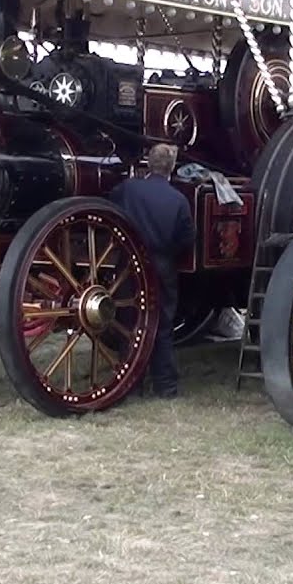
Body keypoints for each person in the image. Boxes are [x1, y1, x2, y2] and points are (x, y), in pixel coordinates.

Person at [108, 143, 195, 398]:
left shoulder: (128, 189)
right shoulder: (178, 199)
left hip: (129, 264)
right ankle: (165, 386)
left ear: (148, 163)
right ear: (171, 168)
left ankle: (131, 385)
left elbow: (109, 208)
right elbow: (187, 237)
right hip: (162, 265)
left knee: (129, 323)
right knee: (162, 325)